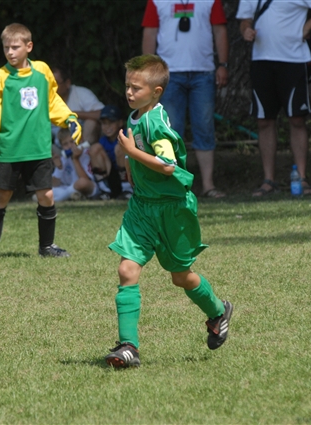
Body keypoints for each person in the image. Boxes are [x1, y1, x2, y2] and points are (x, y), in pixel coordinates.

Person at [104, 55, 233, 368]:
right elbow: (136, 153)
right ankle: (128, 346)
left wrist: (131, 152)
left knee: (181, 277)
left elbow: (168, 165)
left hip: (172, 210)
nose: (129, 92)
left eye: (136, 88)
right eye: (127, 86)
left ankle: (218, 312)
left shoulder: (156, 124)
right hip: (142, 208)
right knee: (127, 270)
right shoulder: (136, 116)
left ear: (156, 92)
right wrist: (129, 163)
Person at [0, 23, 82, 260]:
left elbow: (52, 100)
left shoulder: (42, 71)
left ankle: (47, 246)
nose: (10, 52)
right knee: (1, 196)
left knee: (47, 196)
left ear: (29, 46)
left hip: (39, 149)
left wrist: (69, 118)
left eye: (15, 47)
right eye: (6, 47)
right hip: (9, 150)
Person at [237, 0, 311, 197]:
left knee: (297, 119)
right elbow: (245, 19)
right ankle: (268, 180)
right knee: (264, 120)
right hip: (261, 60)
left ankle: (301, 177)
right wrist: (246, 30)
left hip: (293, 60)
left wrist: (308, 26)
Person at [141, 0, 228, 198]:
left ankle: (208, 185)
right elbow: (150, 34)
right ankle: (173, 185)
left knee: (204, 128)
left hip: (203, 72)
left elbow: (220, 31)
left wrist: (223, 64)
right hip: (168, 74)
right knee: (169, 131)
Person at [88, 104, 133, 198]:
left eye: (111, 122)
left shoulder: (127, 135)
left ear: (120, 123)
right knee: (94, 148)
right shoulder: (103, 141)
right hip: (113, 177)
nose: (107, 126)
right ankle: (104, 191)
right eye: (104, 123)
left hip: (131, 176)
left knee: (120, 147)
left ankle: (128, 190)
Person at [51, 67, 104, 147]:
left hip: (83, 142)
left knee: (91, 122)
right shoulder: (43, 99)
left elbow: (103, 114)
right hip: (59, 147)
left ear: (67, 83)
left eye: (55, 83)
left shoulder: (81, 93)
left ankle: (83, 150)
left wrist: (73, 114)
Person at [51, 128, 98, 202]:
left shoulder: (86, 154)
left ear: (81, 140)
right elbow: (55, 184)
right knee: (47, 188)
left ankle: (58, 199)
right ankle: (73, 196)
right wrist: (59, 168)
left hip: (89, 187)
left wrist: (75, 159)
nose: (70, 146)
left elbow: (85, 180)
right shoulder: (63, 158)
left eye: (72, 141)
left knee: (82, 183)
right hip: (69, 188)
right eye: (65, 144)